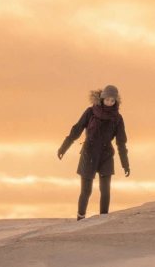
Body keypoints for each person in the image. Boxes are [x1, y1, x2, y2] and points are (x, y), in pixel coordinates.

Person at [57, 84, 130, 220]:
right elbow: (77, 129)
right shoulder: (91, 112)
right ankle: (80, 219)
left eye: (112, 100)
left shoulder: (117, 118)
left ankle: (103, 220)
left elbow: (121, 142)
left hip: (106, 154)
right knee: (86, 190)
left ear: (116, 102)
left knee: (105, 190)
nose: (109, 103)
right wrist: (64, 147)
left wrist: (125, 164)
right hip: (89, 152)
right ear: (102, 99)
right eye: (107, 99)